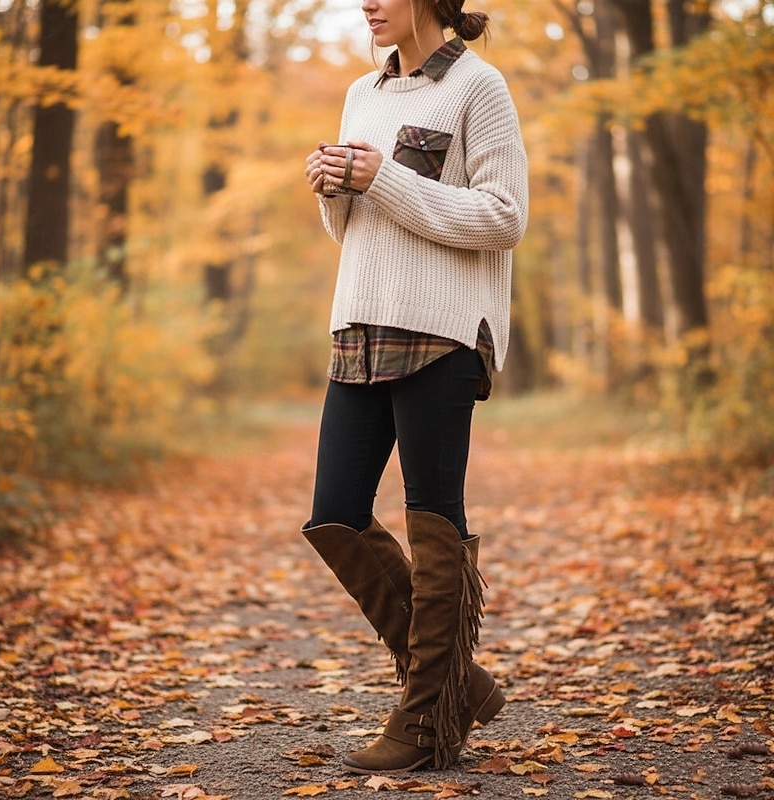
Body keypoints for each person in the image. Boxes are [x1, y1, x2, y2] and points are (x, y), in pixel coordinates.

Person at [300, 0, 528, 775]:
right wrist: (335, 187)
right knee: (333, 515)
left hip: (443, 329)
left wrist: (382, 179)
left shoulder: (478, 86)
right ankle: (455, 684)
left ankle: (427, 722)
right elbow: (355, 226)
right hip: (359, 324)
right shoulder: (363, 93)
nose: (366, 2)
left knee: (434, 520)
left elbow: (503, 217)